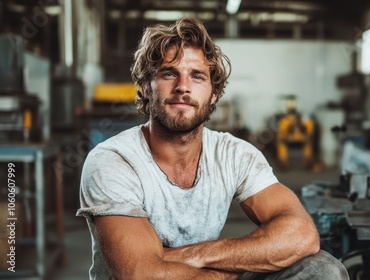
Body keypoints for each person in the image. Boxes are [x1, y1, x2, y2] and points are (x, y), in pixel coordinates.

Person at [77, 18, 348, 280]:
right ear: (147, 87)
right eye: (169, 73)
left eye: (197, 76)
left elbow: (302, 235)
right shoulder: (113, 161)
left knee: (322, 269)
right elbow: (142, 273)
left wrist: (193, 255)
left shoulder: (234, 154)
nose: (183, 87)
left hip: (190, 273)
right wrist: (233, 269)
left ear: (214, 93)